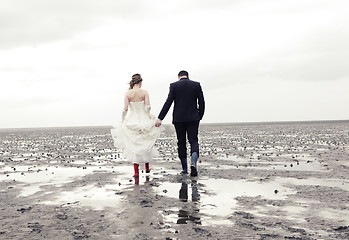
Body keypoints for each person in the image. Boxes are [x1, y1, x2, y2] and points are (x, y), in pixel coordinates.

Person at [111, 73, 161, 179]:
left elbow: (125, 109)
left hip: (132, 120)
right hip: (144, 119)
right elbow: (148, 107)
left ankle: (136, 172)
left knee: (134, 145)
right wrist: (149, 116)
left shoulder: (127, 93)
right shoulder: (145, 92)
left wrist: (123, 120)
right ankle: (147, 168)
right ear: (140, 82)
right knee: (146, 143)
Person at [155, 70, 205, 176]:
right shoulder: (196, 85)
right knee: (193, 141)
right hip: (193, 118)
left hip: (179, 119)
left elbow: (168, 102)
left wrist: (160, 118)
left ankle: (185, 169)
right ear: (188, 76)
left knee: (181, 142)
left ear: (179, 76)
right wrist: (199, 116)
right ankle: (193, 163)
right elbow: (201, 102)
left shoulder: (174, 86)